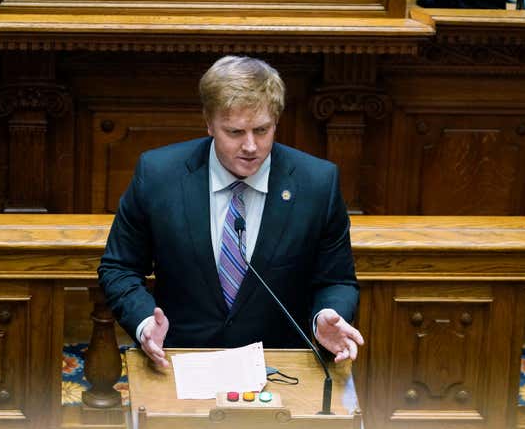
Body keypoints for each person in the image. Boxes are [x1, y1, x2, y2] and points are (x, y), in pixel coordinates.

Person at [98, 55, 364, 368]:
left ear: (276, 122)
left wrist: (326, 314)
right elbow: (119, 267)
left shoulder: (317, 184)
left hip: (279, 365)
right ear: (209, 123)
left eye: (262, 130)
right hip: (181, 360)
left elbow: (337, 280)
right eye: (235, 132)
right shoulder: (159, 175)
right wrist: (144, 323)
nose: (251, 146)